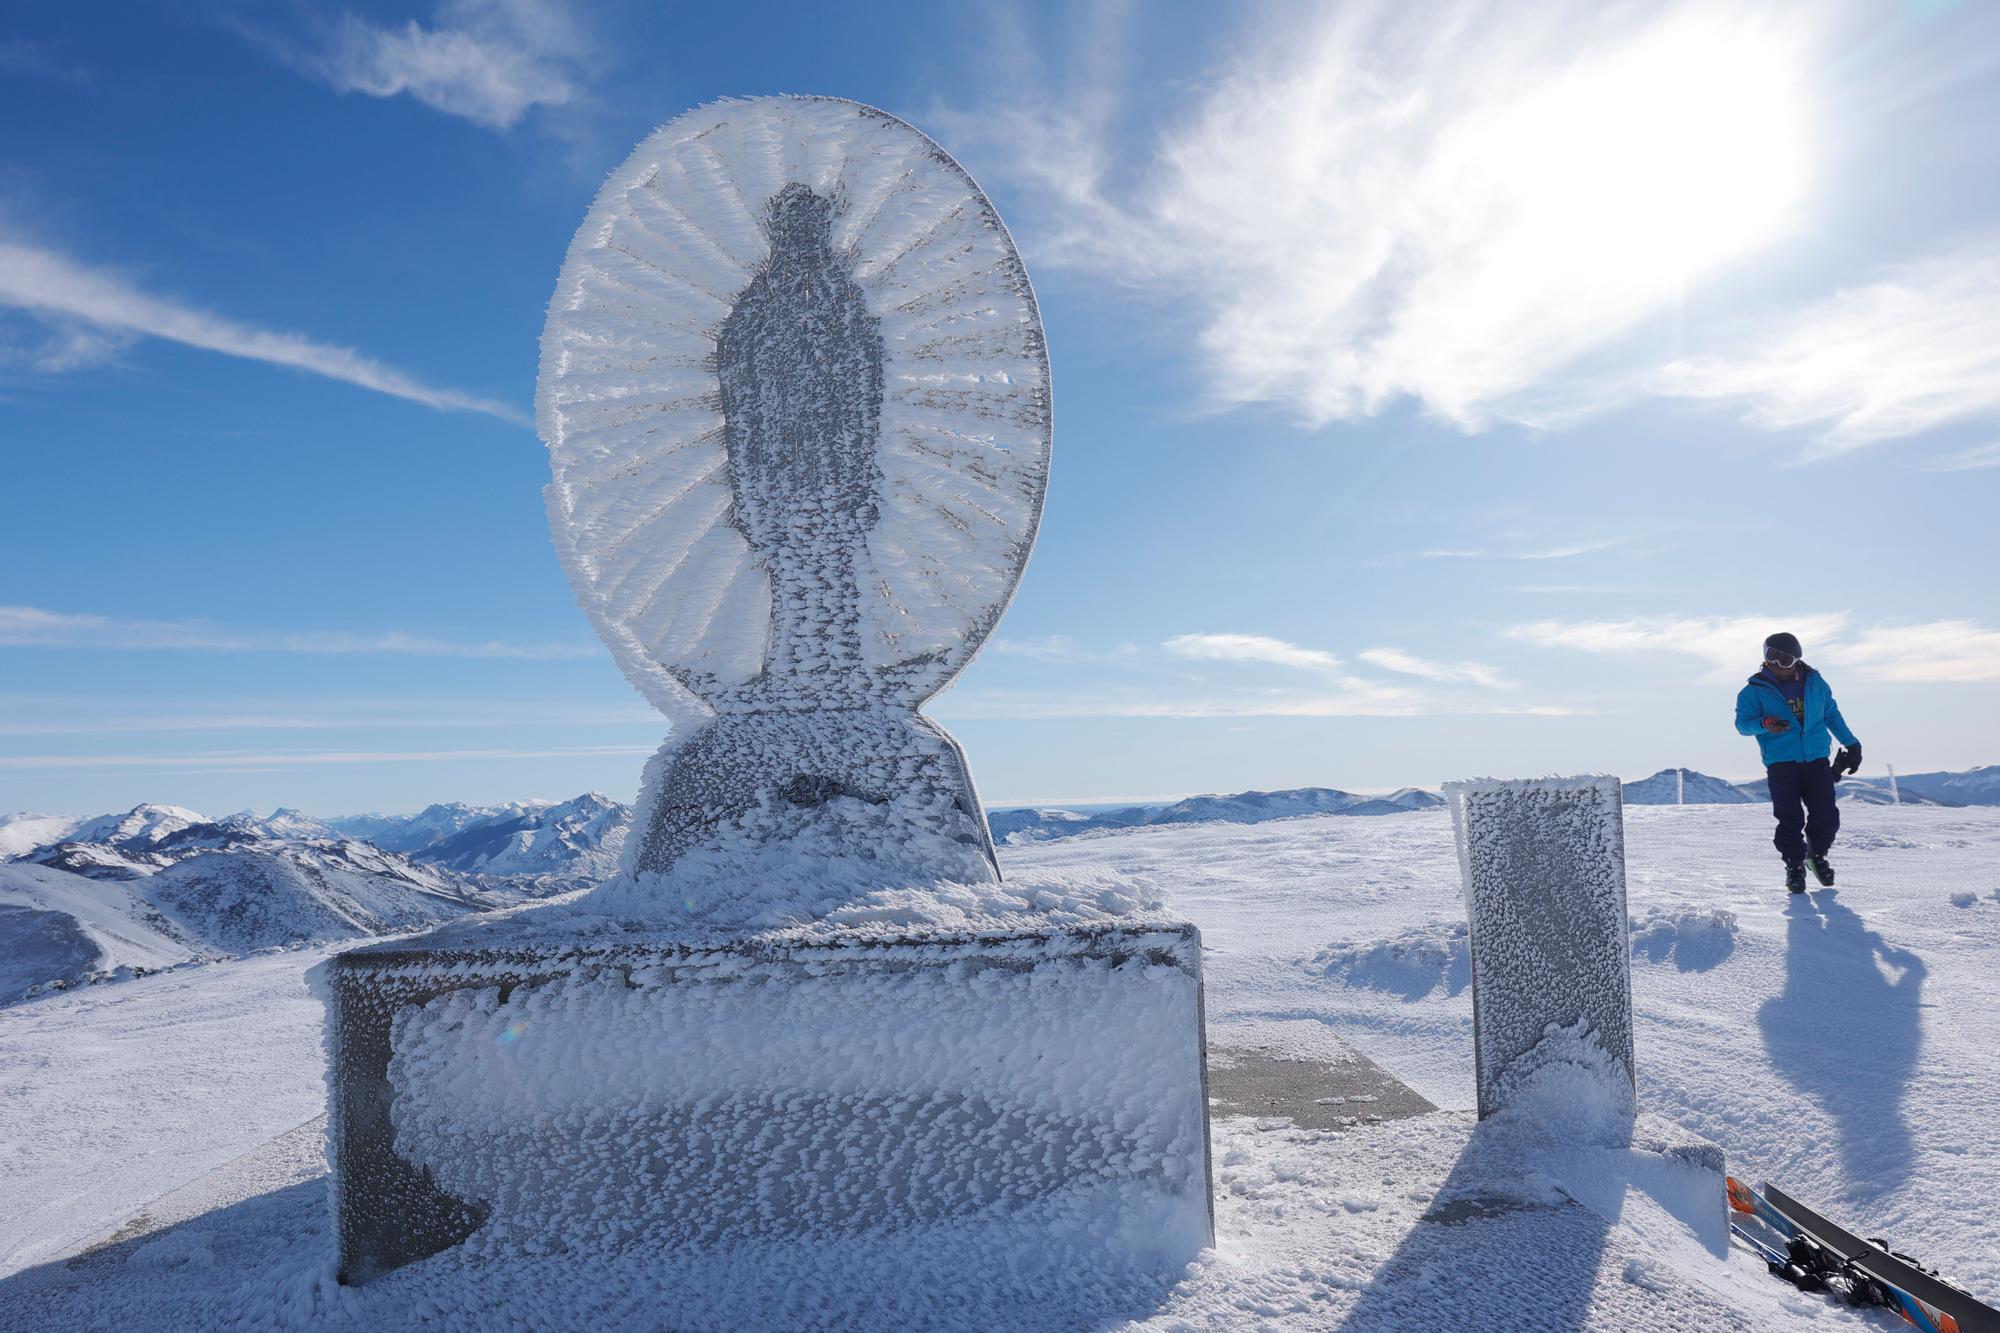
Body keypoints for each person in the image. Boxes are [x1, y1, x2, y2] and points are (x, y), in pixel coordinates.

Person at [1734, 632, 1862, 893]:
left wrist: (1851, 743)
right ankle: (1794, 865)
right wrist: (1765, 724)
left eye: (1786, 659)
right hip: (1782, 763)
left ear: (1798, 659)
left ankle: (1816, 857)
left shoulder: (1815, 683)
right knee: (1790, 818)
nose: (1780, 665)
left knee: (1826, 815)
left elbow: (1831, 715)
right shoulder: (1753, 692)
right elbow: (1742, 726)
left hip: (1816, 760)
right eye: (1773, 658)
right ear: (1765, 658)